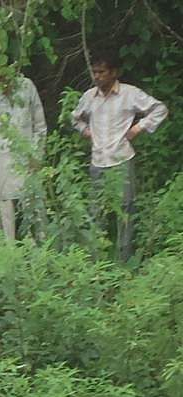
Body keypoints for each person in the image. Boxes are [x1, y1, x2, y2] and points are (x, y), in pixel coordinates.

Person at [72, 49, 168, 263]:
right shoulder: (89, 97)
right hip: (98, 161)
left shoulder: (129, 94)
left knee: (126, 210)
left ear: (114, 72)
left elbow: (159, 109)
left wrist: (139, 127)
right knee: (97, 211)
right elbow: (75, 118)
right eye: (95, 72)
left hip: (122, 159)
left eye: (102, 72)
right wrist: (85, 131)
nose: (97, 76)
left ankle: (125, 261)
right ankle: (98, 261)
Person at [0, 58, 46, 241]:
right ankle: (10, 255)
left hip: (26, 159)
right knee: (4, 213)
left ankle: (42, 254)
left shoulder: (26, 86)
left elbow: (40, 126)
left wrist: (36, 156)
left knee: (34, 210)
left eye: (3, 76)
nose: (0, 82)